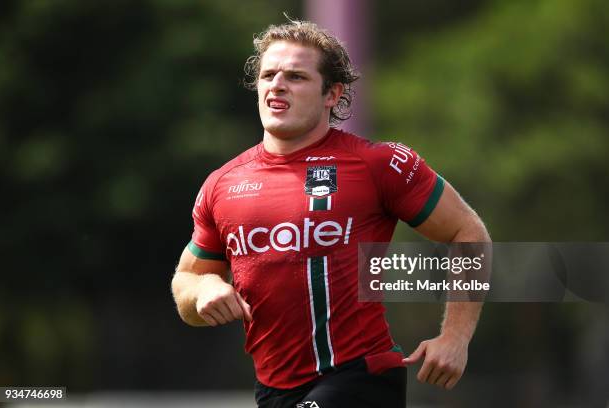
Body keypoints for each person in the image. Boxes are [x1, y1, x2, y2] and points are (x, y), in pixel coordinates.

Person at [171, 19, 490, 408]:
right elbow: (187, 279)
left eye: (296, 76)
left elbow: (469, 233)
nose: (278, 84)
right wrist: (204, 288)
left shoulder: (378, 163)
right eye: (269, 74)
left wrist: (455, 337)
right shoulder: (221, 184)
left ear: (332, 94)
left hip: (361, 376)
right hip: (274, 390)